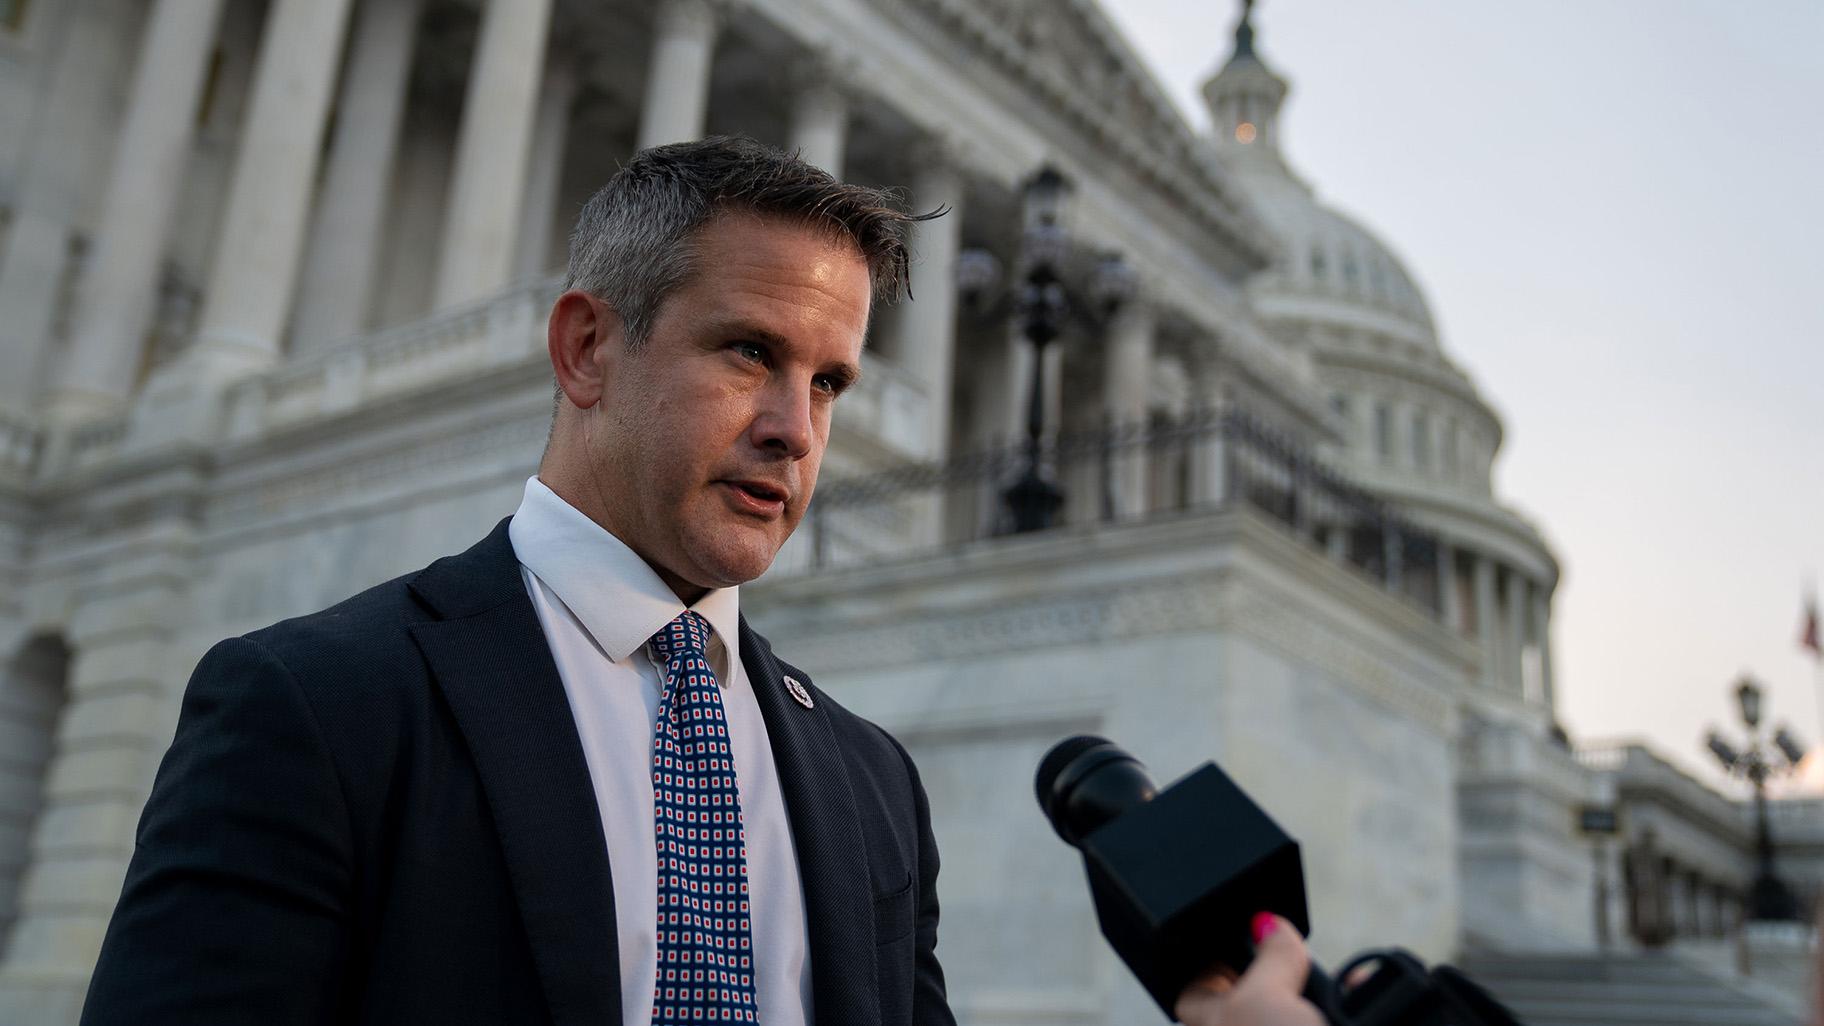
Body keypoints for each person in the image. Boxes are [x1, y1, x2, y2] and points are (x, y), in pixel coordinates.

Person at [80, 137, 953, 1026]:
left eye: (828, 383)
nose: (795, 431)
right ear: (585, 350)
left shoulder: (875, 783)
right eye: (748, 353)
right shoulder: (319, 706)